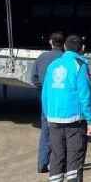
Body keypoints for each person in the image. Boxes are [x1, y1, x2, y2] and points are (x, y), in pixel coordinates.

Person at [42, 34, 91, 182]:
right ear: (81, 49)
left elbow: (44, 93)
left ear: (65, 48)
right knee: (74, 160)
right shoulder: (79, 65)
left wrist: (47, 114)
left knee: (57, 158)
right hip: (74, 119)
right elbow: (85, 94)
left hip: (53, 118)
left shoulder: (53, 65)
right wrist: (90, 120)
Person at [28, 32, 65, 174]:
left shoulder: (42, 57)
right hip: (62, 98)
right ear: (63, 44)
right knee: (62, 131)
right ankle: (59, 164)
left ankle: (42, 163)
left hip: (46, 98)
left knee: (46, 130)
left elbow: (34, 78)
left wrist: (43, 88)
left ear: (50, 42)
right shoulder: (65, 59)